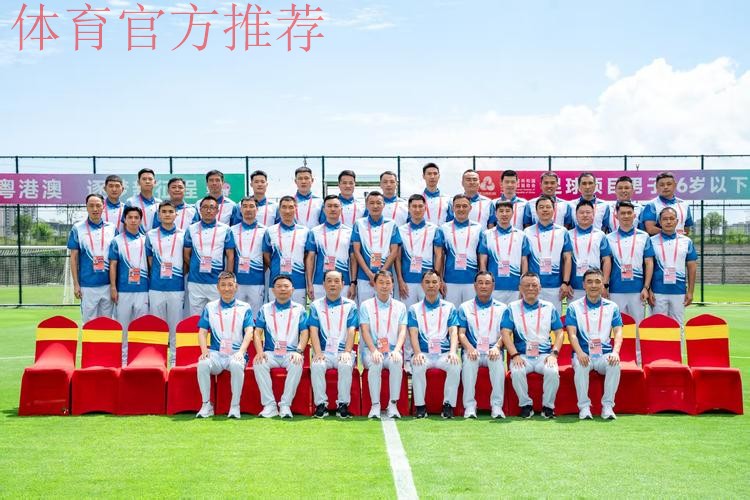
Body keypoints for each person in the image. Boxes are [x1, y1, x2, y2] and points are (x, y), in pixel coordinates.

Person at [501, 272, 564, 419]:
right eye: (527, 285)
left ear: (540, 288)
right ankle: (525, 405)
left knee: (552, 371)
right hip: (522, 355)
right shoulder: (512, 307)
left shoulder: (549, 307)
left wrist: (554, 354)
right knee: (517, 371)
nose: (530, 288)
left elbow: (559, 332)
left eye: (534, 285)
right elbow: (505, 333)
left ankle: (548, 407)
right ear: (520, 288)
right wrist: (514, 355)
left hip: (544, 355)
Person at [195, 271, 255, 419]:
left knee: (236, 364)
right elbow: (202, 332)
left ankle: (235, 406)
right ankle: (206, 405)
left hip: (236, 353)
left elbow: (249, 332)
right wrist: (204, 351)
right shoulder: (210, 307)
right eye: (223, 285)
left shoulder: (245, 307)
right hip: (216, 353)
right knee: (202, 364)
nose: (226, 288)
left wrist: (241, 352)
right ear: (218, 287)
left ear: (236, 287)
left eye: (230, 285)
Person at [566, 268, 623, 420]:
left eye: (597, 282)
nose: (593, 285)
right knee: (581, 365)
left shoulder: (612, 306)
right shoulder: (574, 307)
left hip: (604, 354)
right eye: (589, 282)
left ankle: (608, 406)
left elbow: (618, 332)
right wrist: (579, 353)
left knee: (615, 364)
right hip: (583, 353)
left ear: (603, 284)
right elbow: (572, 334)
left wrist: (615, 352)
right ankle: (584, 407)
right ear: (583, 285)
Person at [252, 275, 309, 419]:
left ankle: (285, 405)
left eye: (286, 286)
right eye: (279, 286)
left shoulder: (300, 309)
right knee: (258, 363)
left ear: (292, 290)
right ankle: (270, 405)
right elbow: (257, 332)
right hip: (270, 353)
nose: (282, 289)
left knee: (297, 363)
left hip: (291, 353)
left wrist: (299, 351)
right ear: (273, 290)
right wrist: (260, 352)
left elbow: (304, 332)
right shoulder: (265, 309)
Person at [408, 271, 461, 419]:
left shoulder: (449, 307)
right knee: (417, 365)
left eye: (434, 282)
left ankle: (448, 405)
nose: (431, 285)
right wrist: (417, 353)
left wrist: (453, 352)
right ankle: (420, 407)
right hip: (423, 353)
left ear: (440, 284)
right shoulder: (414, 309)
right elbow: (413, 333)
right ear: (422, 285)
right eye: (427, 282)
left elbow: (453, 332)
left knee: (455, 365)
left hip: (444, 354)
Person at [308, 270, 359, 418]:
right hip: (323, 352)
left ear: (343, 284)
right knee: (317, 365)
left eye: (337, 281)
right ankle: (321, 405)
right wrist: (318, 353)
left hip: (343, 351)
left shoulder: (351, 305)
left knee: (345, 364)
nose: (333, 284)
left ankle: (342, 405)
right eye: (329, 281)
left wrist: (347, 351)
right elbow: (313, 330)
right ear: (323, 284)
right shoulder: (315, 305)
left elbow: (351, 330)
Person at [457, 271, 508, 419]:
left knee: (497, 363)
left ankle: (497, 406)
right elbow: (461, 333)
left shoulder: (503, 308)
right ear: (475, 286)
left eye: (487, 283)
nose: (484, 286)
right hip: (473, 350)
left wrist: (497, 347)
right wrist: (469, 348)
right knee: (469, 362)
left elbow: (506, 333)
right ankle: (469, 406)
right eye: (480, 283)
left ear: (493, 286)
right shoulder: (464, 307)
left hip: (493, 350)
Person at [359, 271, 408, 419]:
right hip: (371, 350)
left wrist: (397, 350)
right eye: (381, 282)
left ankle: (393, 404)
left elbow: (402, 331)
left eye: (388, 283)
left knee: (396, 361)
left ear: (393, 285)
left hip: (392, 350)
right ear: (374, 284)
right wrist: (374, 350)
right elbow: (365, 330)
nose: (384, 286)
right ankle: (375, 405)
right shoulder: (366, 305)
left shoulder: (400, 306)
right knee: (376, 361)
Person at [146, 201, 186, 364]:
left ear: (176, 214)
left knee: (176, 327)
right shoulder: (150, 235)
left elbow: (186, 259)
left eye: (170, 211)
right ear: (158, 215)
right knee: (158, 327)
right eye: (164, 211)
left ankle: (175, 361)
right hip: (156, 288)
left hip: (177, 288)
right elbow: (149, 261)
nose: (167, 214)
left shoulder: (184, 234)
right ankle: (158, 360)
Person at [109, 206, 149, 365]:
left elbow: (151, 264)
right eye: (130, 217)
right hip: (123, 291)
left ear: (140, 220)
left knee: (141, 327)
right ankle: (123, 362)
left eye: (136, 217)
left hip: (143, 290)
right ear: (124, 220)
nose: (133, 220)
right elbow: (113, 265)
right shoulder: (117, 241)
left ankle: (139, 359)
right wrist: (113, 287)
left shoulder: (147, 240)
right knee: (123, 328)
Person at [67, 193, 117, 323]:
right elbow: (73, 258)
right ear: (86, 207)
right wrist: (76, 284)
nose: (95, 209)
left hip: (107, 285)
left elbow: (115, 260)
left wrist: (114, 285)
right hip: (87, 285)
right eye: (91, 206)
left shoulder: (112, 228)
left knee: (107, 323)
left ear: (103, 207)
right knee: (89, 323)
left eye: (98, 205)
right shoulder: (77, 228)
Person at [184, 196, 236, 316]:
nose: (208, 210)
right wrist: (195, 267)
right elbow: (186, 254)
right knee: (195, 319)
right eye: (205, 207)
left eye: (212, 207)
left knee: (216, 317)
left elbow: (230, 256)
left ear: (217, 210)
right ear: (200, 210)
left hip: (216, 282)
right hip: (195, 282)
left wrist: (227, 279)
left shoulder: (226, 230)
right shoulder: (191, 229)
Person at [606, 201, 654, 324]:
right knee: (617, 327)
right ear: (616, 216)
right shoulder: (608, 238)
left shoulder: (644, 236)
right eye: (622, 213)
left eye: (629, 213)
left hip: (638, 290)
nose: (626, 216)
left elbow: (649, 263)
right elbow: (606, 263)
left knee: (638, 326)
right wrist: (605, 286)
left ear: (634, 215)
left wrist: (646, 287)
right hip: (615, 290)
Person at [522, 195, 573, 313]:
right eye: (541, 207)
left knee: (554, 318)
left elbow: (567, 258)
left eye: (548, 207)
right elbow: (524, 259)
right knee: (532, 318)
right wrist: (525, 282)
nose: (545, 210)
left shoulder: (562, 231)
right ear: (536, 211)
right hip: (533, 285)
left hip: (555, 286)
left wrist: (565, 282)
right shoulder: (527, 232)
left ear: (553, 210)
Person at [649, 207, 698, 327]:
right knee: (658, 327)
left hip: (679, 291)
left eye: (671, 218)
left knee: (678, 326)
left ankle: (678, 342)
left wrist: (690, 291)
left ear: (677, 221)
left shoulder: (686, 241)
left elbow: (692, 266)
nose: (668, 222)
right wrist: (649, 289)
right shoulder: (650, 241)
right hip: (657, 292)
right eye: (665, 219)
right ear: (660, 222)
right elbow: (647, 266)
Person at [351, 191, 401, 304]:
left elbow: (394, 251)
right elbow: (356, 251)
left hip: (385, 277)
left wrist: (380, 274)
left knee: (386, 309)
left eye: (378, 203)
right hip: (364, 277)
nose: (375, 206)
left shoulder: (392, 224)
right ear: (366, 205)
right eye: (372, 203)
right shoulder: (359, 224)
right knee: (365, 309)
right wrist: (370, 274)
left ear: (384, 205)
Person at [395, 194, 444, 309]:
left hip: (428, 282)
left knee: (429, 314)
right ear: (409, 208)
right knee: (409, 314)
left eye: (420, 206)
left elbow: (439, 255)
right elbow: (397, 258)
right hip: (407, 281)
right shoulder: (400, 230)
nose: (417, 209)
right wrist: (400, 280)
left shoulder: (435, 229)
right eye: (414, 206)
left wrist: (435, 280)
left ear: (425, 208)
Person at [305, 195, 356, 301]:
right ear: (324, 209)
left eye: (336, 206)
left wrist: (353, 283)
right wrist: (309, 283)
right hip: (319, 282)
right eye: (329, 206)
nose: (333, 209)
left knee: (342, 311)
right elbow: (310, 258)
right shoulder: (314, 231)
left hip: (343, 282)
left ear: (341, 209)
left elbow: (353, 259)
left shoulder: (350, 232)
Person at [478, 200, 530, 304]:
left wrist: (524, 284)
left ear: (513, 213)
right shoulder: (486, 235)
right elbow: (483, 261)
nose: (504, 214)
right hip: (494, 287)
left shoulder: (521, 235)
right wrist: (485, 283)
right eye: (501, 211)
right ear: (496, 214)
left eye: (507, 211)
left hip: (515, 287)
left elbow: (524, 261)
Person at [263, 195, 310, 305]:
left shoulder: (305, 231)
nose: (287, 211)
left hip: (298, 282)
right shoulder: (270, 231)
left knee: (297, 313)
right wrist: (275, 267)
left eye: (291, 207)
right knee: (274, 313)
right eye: (284, 207)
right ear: (279, 210)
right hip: (276, 281)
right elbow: (266, 254)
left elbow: (307, 255)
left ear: (296, 209)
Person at [440, 194, 482, 308]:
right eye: (458, 206)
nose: (461, 209)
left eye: (464, 206)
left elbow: (481, 255)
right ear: (453, 208)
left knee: (471, 314)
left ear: (470, 208)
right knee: (451, 314)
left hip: (471, 280)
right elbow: (440, 255)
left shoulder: (478, 228)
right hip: (450, 280)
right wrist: (440, 279)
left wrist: (481, 279)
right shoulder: (444, 228)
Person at [568, 200, 612, 301]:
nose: (585, 215)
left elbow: (606, 260)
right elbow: (565, 260)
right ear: (576, 215)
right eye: (581, 212)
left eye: (588, 212)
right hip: (574, 287)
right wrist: (566, 282)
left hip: (595, 285)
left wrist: (604, 284)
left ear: (593, 215)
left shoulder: (600, 235)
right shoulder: (568, 235)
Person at [231, 197, 267, 315]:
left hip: (257, 281)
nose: (248, 209)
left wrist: (258, 270)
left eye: (251, 206)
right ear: (240, 209)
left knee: (256, 316)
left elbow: (267, 256)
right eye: (245, 206)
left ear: (257, 209)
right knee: (237, 315)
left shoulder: (265, 231)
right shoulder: (231, 230)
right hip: (237, 282)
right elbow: (229, 255)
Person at [124, 168, 161, 233]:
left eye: (150, 179)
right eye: (144, 179)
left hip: (156, 238)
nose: (147, 181)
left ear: (155, 182)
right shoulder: (130, 202)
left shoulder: (160, 203)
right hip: (136, 238)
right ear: (138, 182)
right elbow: (125, 224)